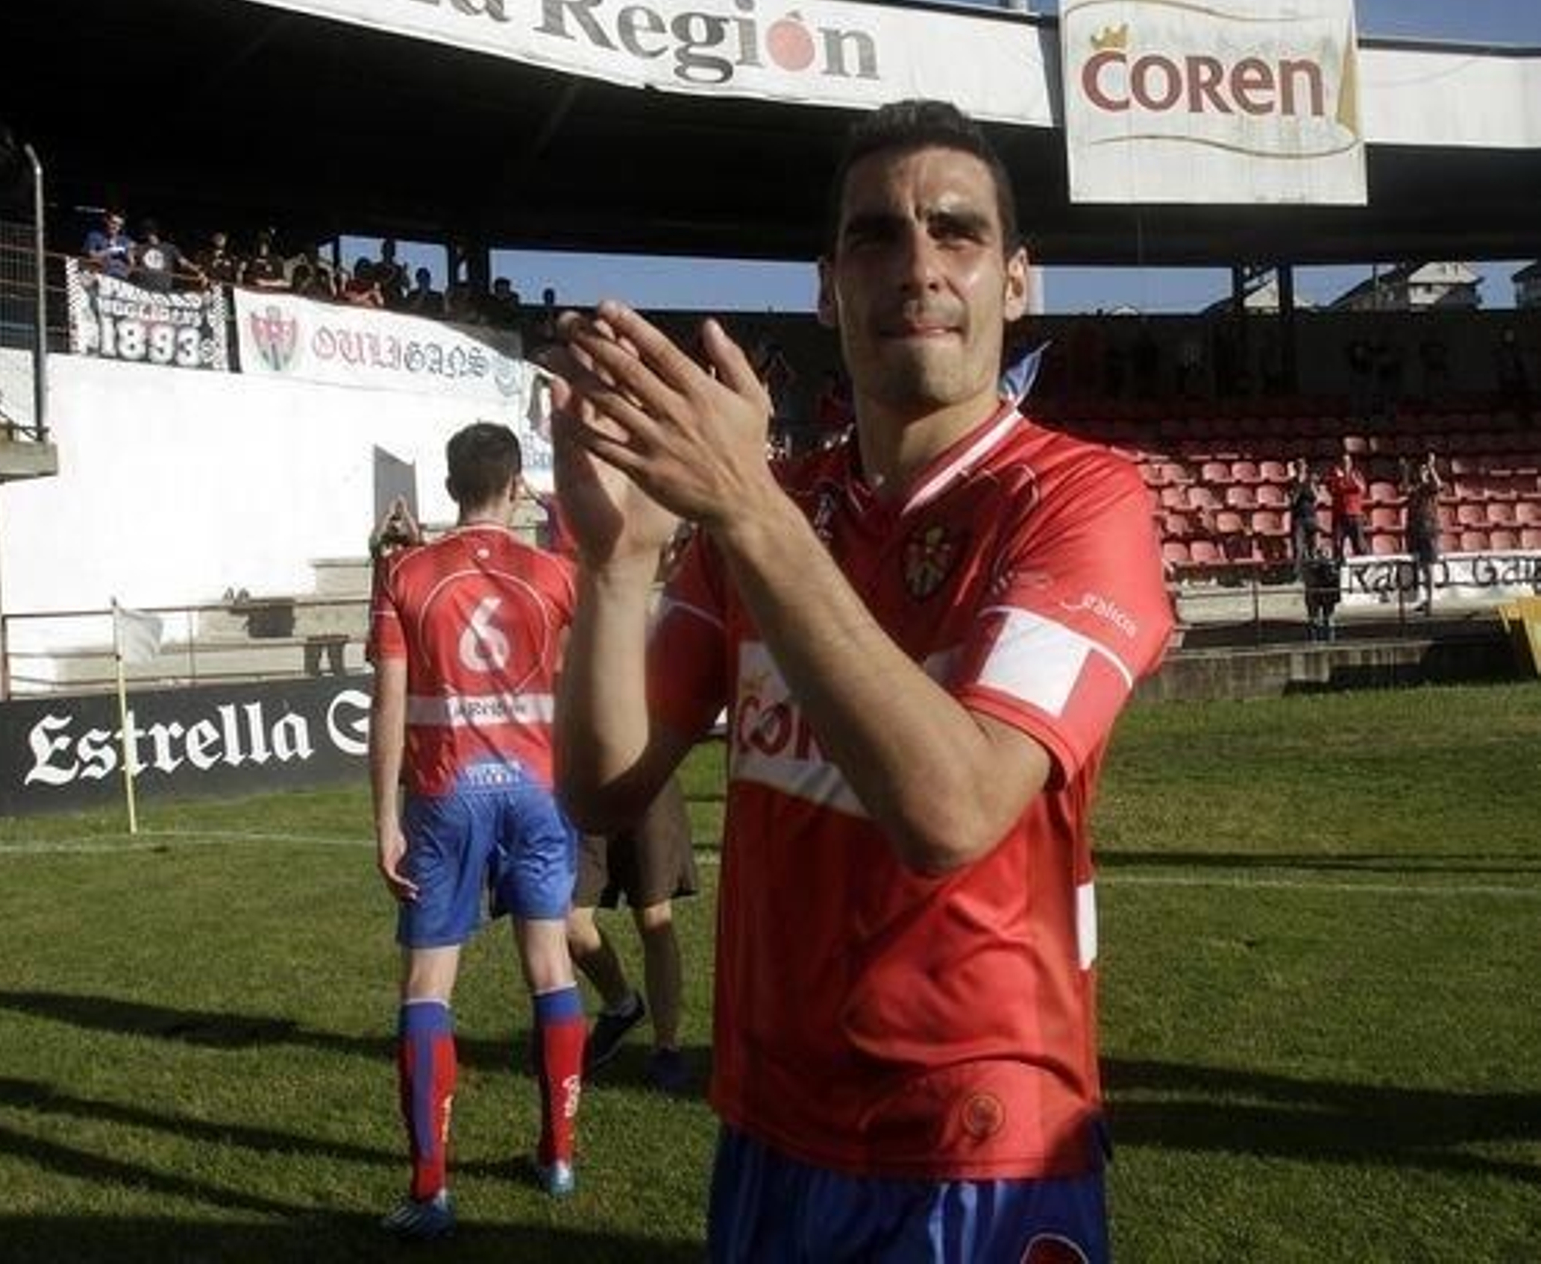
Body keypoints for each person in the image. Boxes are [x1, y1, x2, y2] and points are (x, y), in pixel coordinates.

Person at [547, 99, 1173, 1262]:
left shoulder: (1079, 499)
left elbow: (953, 810)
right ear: (828, 285)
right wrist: (617, 562)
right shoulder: (778, 504)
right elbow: (597, 789)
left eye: (956, 231)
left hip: (976, 1142)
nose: (918, 265)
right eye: (876, 236)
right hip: (770, 1128)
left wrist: (744, 509)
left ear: (1018, 279)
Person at [367, 423, 588, 1240]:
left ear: (450, 482)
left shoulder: (408, 572)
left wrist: (384, 817)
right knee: (550, 965)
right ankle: (558, 1155)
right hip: (537, 788)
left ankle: (431, 1192)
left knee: (428, 986)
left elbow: (390, 702)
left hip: (444, 792)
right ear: (515, 481)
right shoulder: (553, 573)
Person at [567, 775, 699, 1093]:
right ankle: (623, 1006)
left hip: (647, 783)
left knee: (655, 919)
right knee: (569, 924)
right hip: (583, 789)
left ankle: (666, 1047)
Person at [1402, 451, 1444, 612]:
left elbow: (1438, 485)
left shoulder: (1430, 488)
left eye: (1423, 471)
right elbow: (1405, 489)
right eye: (1420, 471)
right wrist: (1405, 472)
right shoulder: (1416, 488)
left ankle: (1430, 602)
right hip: (1414, 530)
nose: (1421, 473)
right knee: (1419, 567)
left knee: (1428, 567)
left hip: (1428, 530)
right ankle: (1425, 599)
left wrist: (1431, 468)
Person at [129, 219, 205, 292]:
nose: (151, 235)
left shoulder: (169, 247)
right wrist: (131, 260)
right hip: (144, 288)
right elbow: (131, 257)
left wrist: (198, 271)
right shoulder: (139, 247)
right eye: (148, 232)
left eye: (151, 232)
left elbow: (183, 262)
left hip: (162, 288)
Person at [1325, 449, 1367, 559]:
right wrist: (1339, 478)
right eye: (1343, 462)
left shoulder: (1357, 474)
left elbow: (1362, 489)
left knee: (1359, 546)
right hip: (1339, 516)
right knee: (1338, 545)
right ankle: (1337, 573)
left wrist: (1352, 478)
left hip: (1355, 515)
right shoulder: (1334, 476)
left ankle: (1362, 572)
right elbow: (1331, 490)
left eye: (1348, 462)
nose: (1346, 464)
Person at [1300, 542, 1342, 640]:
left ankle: (1330, 640)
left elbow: (1336, 578)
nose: (1324, 555)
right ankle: (1315, 640)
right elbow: (1307, 578)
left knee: (1329, 619)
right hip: (1315, 594)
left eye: (1326, 553)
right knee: (1315, 619)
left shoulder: (1332, 566)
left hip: (1327, 594)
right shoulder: (1312, 566)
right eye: (1322, 553)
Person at [81, 207, 133, 278]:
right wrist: (110, 250)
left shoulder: (125, 240)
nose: (116, 227)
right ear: (106, 221)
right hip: (100, 275)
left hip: (121, 277)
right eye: (113, 223)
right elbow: (91, 256)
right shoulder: (94, 236)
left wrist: (126, 272)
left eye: (119, 225)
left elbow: (132, 263)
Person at [1287, 457, 1321, 563]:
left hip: (1311, 516)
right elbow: (1293, 501)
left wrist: (1311, 486)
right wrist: (1299, 487)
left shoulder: (1311, 480)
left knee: (1313, 547)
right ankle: (1299, 573)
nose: (1301, 468)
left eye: (1303, 465)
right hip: (1298, 518)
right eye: (1298, 465)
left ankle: (1314, 572)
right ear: (1295, 468)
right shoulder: (1292, 482)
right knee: (1298, 548)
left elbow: (1317, 498)